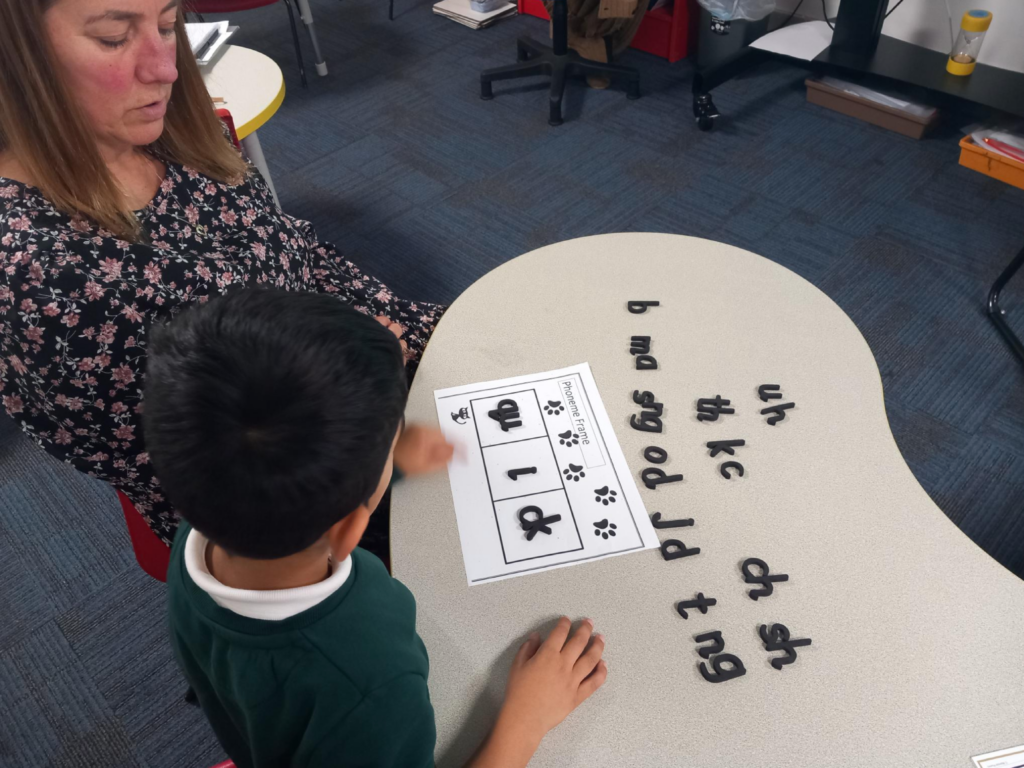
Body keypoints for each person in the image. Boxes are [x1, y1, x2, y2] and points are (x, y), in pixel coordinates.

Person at [0, 0, 443, 550]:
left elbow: (290, 246)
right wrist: (366, 375)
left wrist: (388, 332)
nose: (166, 67)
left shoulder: (168, 128)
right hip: (315, 487)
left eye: (167, 26)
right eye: (115, 36)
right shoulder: (45, 281)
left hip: (369, 354)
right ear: (17, 55)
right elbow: (223, 473)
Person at [143, 289, 608, 767]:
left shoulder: (205, 522)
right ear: (350, 531)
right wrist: (525, 720)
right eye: (392, 443)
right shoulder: (366, 683)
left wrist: (383, 461)